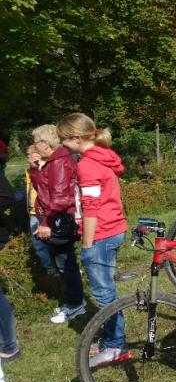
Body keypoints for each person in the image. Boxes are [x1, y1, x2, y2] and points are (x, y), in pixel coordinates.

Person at [57, 113, 130, 367]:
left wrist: (87, 244)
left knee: (104, 293)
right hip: (114, 228)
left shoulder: (87, 165)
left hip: (101, 234)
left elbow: (91, 208)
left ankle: (116, 346)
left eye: (64, 140)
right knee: (107, 288)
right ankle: (112, 338)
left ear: (77, 138)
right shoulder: (103, 156)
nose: (62, 145)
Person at [31, 124, 84, 324]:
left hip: (58, 218)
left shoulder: (59, 162)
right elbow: (42, 188)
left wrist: (46, 222)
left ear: (46, 143)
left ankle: (76, 304)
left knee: (66, 264)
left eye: (37, 142)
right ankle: (74, 301)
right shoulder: (53, 161)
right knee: (63, 262)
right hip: (55, 217)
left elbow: (61, 198)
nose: (35, 146)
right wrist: (34, 168)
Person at [25, 144, 54, 274]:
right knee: (38, 244)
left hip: (45, 212)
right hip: (33, 213)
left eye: (30, 156)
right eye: (28, 156)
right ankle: (49, 268)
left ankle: (59, 268)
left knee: (52, 240)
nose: (28, 158)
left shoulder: (45, 170)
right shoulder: (28, 172)